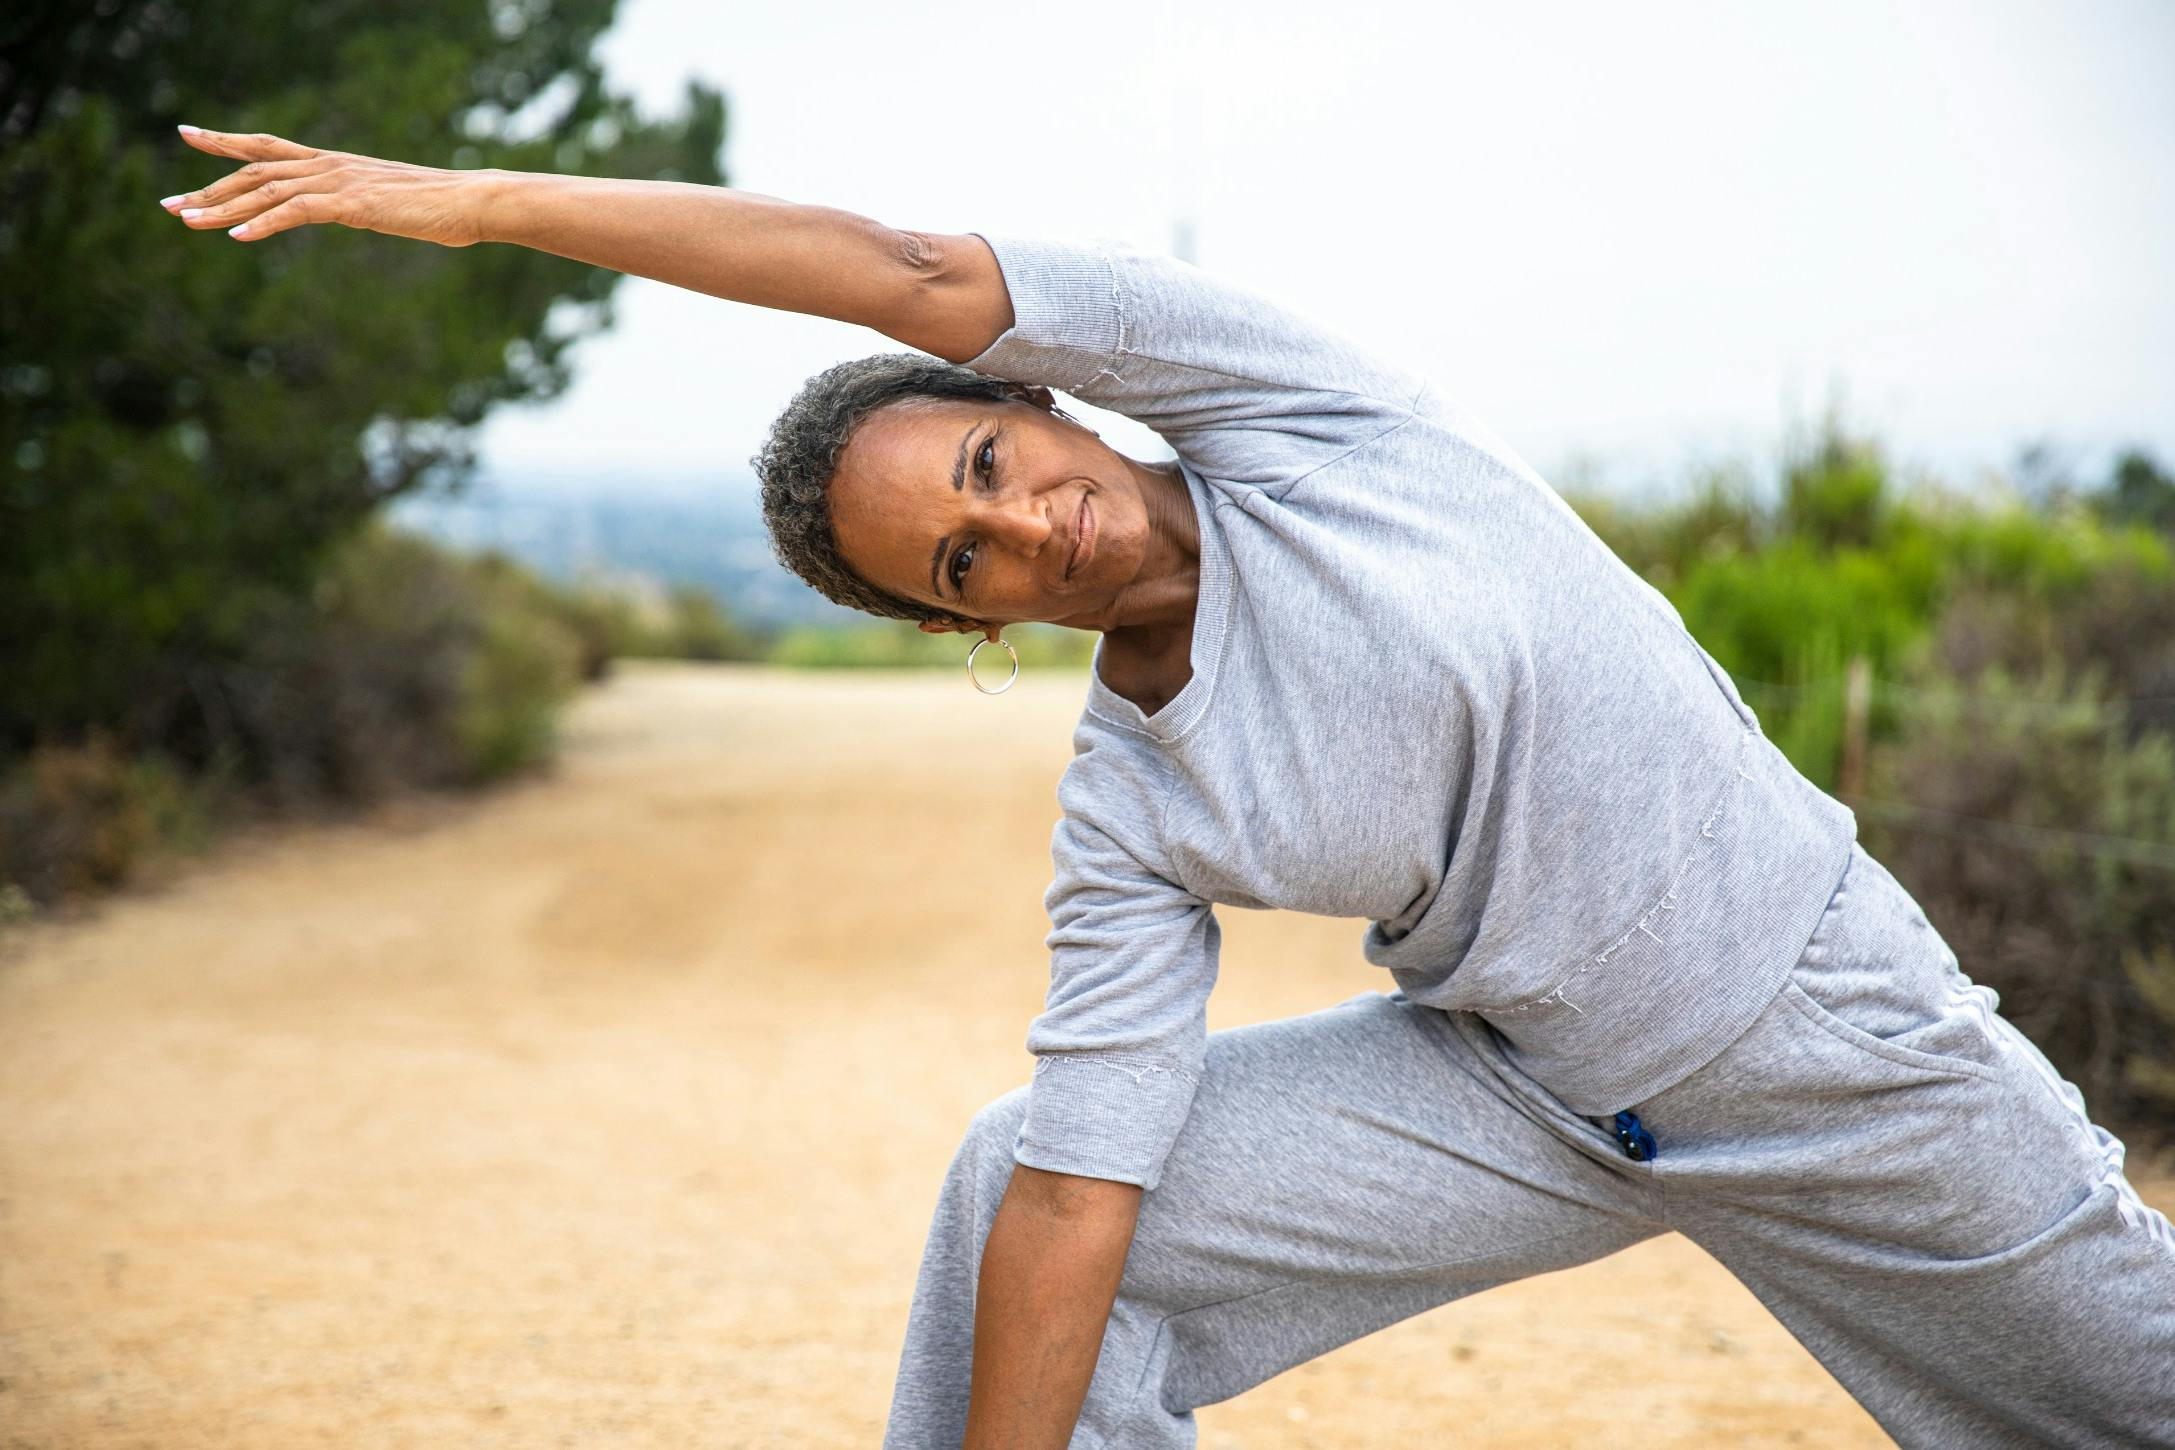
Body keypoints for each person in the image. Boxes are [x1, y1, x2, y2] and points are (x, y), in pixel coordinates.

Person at [166, 125, 2175, 1449]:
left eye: (980, 467)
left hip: (1808, 1026)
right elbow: (1081, 1182)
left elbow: (878, 260)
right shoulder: (1132, 800)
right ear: (964, 626)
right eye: (957, 562)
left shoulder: (1291, 410)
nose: (1019, 527)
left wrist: (489, 206)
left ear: (1032, 394)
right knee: (1005, 1180)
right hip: (1527, 1089)